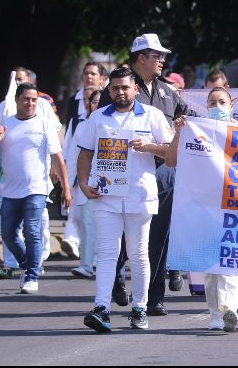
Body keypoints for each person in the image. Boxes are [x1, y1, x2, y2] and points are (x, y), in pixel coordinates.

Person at [98, 33, 194, 315]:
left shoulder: (167, 91)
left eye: (163, 56)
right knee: (124, 240)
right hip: (123, 175)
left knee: (158, 239)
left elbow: (188, 118)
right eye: (157, 56)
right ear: (141, 58)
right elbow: (103, 132)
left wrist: (186, 123)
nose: (162, 60)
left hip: (162, 175)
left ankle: (154, 299)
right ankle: (116, 278)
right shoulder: (119, 89)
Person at [78, 66, 173, 332]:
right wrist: (84, 183)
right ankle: (101, 308)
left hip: (139, 196)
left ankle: (139, 308)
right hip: (105, 195)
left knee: (138, 253)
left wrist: (149, 146)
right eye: (116, 88)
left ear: (135, 89)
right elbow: (85, 153)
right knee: (106, 253)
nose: (121, 92)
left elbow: (171, 154)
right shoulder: (98, 118)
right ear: (109, 91)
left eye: (125, 87)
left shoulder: (152, 115)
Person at [167, 87, 238, 332]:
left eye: (222, 102)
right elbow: (172, 160)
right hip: (204, 207)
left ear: (231, 106)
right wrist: (180, 133)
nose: (217, 106)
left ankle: (229, 309)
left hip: (233, 206)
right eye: (212, 102)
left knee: (229, 263)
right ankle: (216, 316)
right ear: (206, 106)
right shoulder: (196, 130)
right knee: (210, 266)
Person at [0, 83, 72, 293]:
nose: (31, 103)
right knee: (8, 234)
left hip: (36, 188)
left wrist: (66, 188)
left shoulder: (44, 124)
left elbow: (57, 157)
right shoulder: (6, 124)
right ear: (17, 100)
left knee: (32, 231)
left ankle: (32, 275)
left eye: (34, 100)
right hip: (9, 190)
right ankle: (28, 264)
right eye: (26, 99)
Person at [63, 87, 101, 277]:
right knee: (85, 222)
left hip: (110, 184)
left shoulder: (115, 124)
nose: (96, 105)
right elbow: (73, 157)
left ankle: (101, 262)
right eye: (93, 102)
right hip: (86, 184)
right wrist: (68, 186)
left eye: (101, 102)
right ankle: (87, 264)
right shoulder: (81, 126)